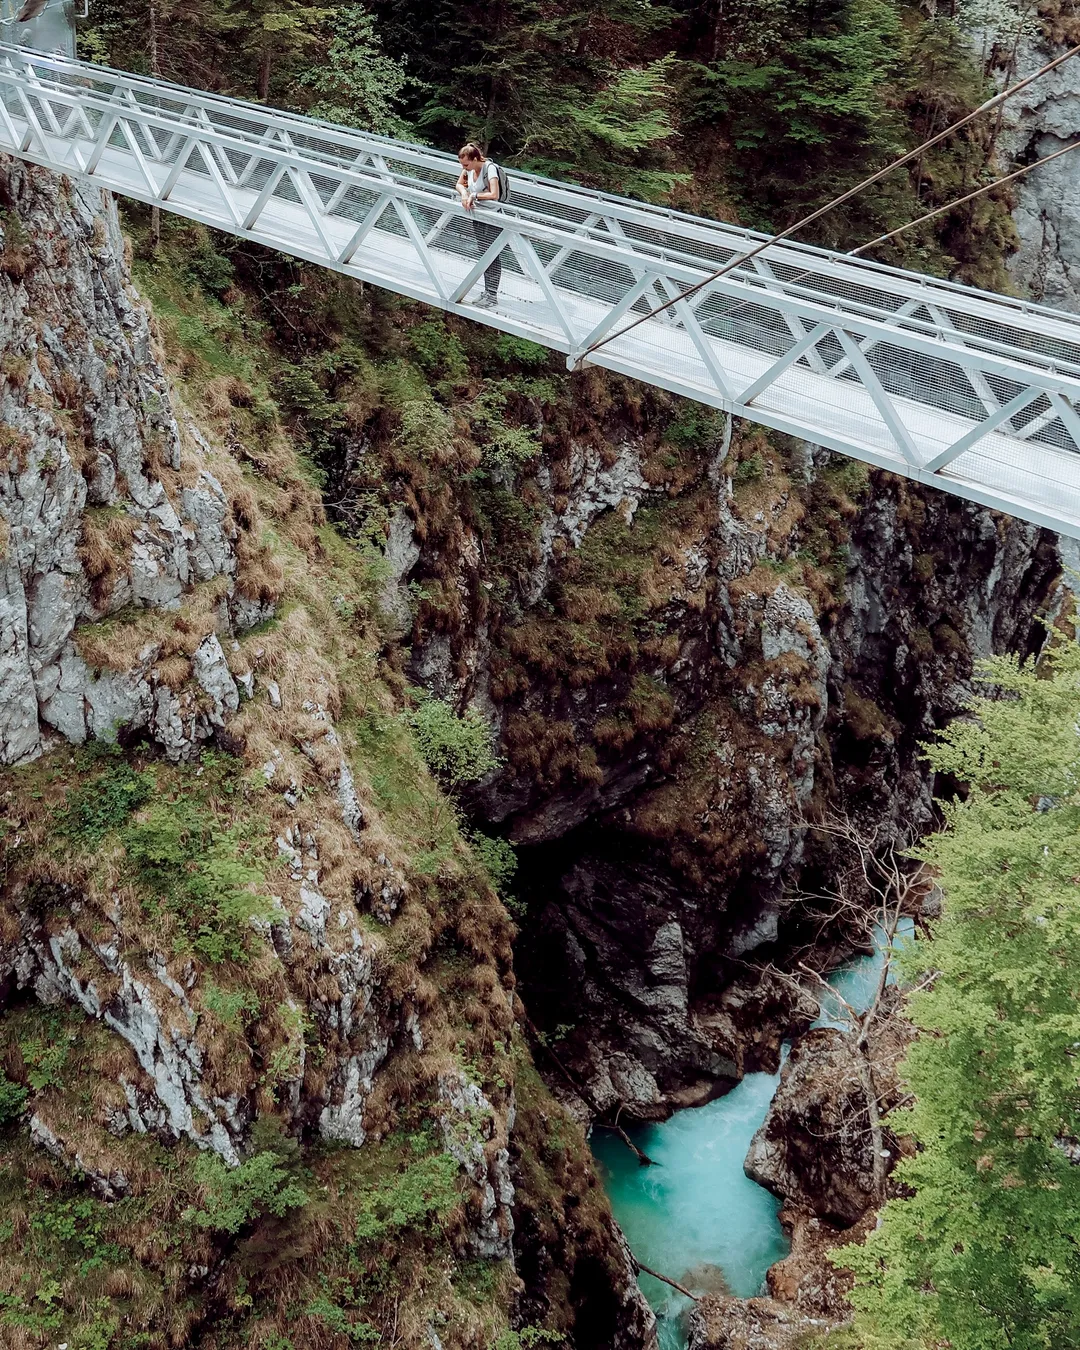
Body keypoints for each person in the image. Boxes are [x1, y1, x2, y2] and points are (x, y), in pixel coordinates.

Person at [455, 143, 503, 310]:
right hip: (479, 215)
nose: (464, 168)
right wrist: (464, 194)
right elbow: (459, 184)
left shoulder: (489, 169)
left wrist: (473, 195)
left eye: (466, 164)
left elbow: (494, 194)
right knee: (484, 253)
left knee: (492, 254)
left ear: (475, 159)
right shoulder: (469, 168)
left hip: (493, 217)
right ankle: (487, 292)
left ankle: (492, 294)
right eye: (462, 165)